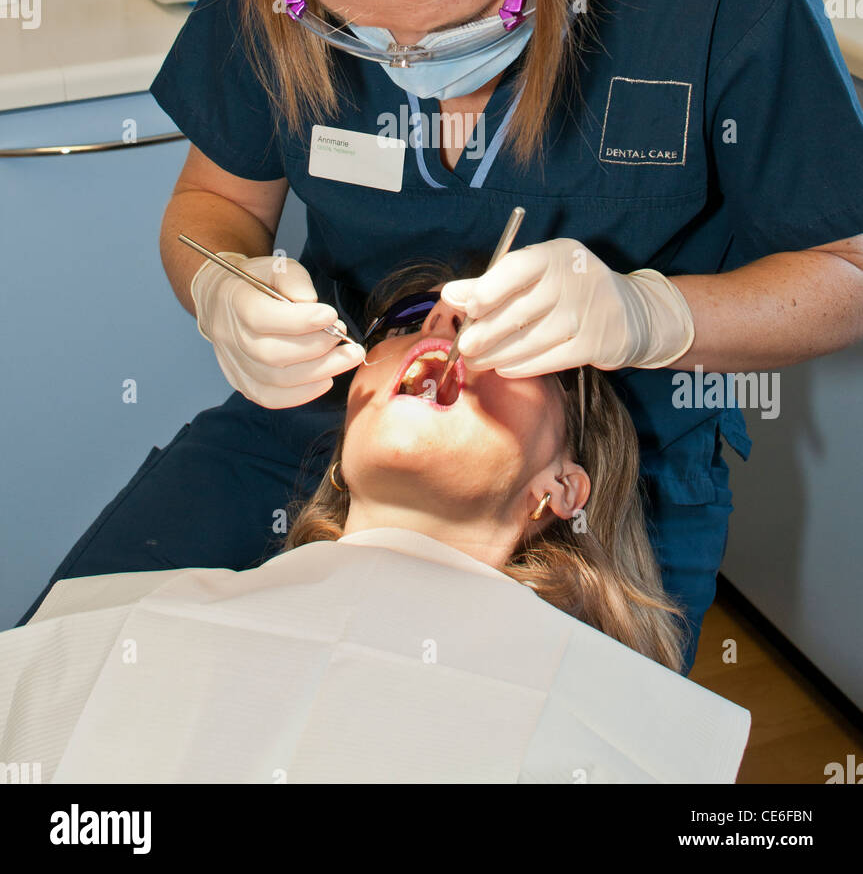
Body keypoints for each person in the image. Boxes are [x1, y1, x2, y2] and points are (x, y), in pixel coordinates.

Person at [17, 0, 863, 678]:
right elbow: (214, 207)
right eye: (346, 29)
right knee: (73, 685)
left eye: (458, 27)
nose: (400, 59)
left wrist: (647, 315)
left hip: (622, 447)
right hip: (319, 425)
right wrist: (222, 287)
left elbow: (845, 269)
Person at [0, 274, 751, 784]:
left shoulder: (611, 722)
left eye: (513, 344)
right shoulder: (127, 623)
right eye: (408, 324)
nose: (444, 325)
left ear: (559, 487)